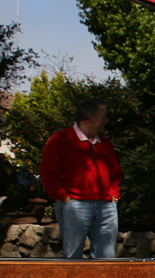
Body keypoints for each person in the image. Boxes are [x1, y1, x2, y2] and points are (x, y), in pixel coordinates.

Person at [39, 98, 123, 258]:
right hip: (75, 205)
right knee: (73, 257)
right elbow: (48, 172)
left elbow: (115, 172)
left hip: (105, 206)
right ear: (90, 116)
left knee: (106, 258)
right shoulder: (61, 140)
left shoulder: (104, 144)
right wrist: (65, 197)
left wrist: (113, 195)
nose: (106, 120)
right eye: (103, 116)